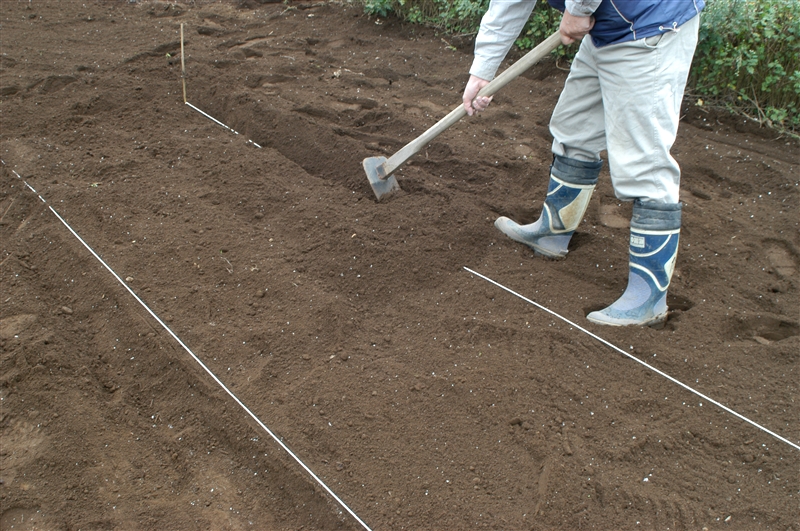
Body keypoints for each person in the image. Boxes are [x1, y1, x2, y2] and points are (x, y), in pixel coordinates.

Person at [462, 0, 704, 327]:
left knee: (645, 163)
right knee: (574, 130)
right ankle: (553, 232)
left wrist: (578, 7)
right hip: (606, 28)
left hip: (650, 24)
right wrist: (482, 70)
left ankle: (648, 298)